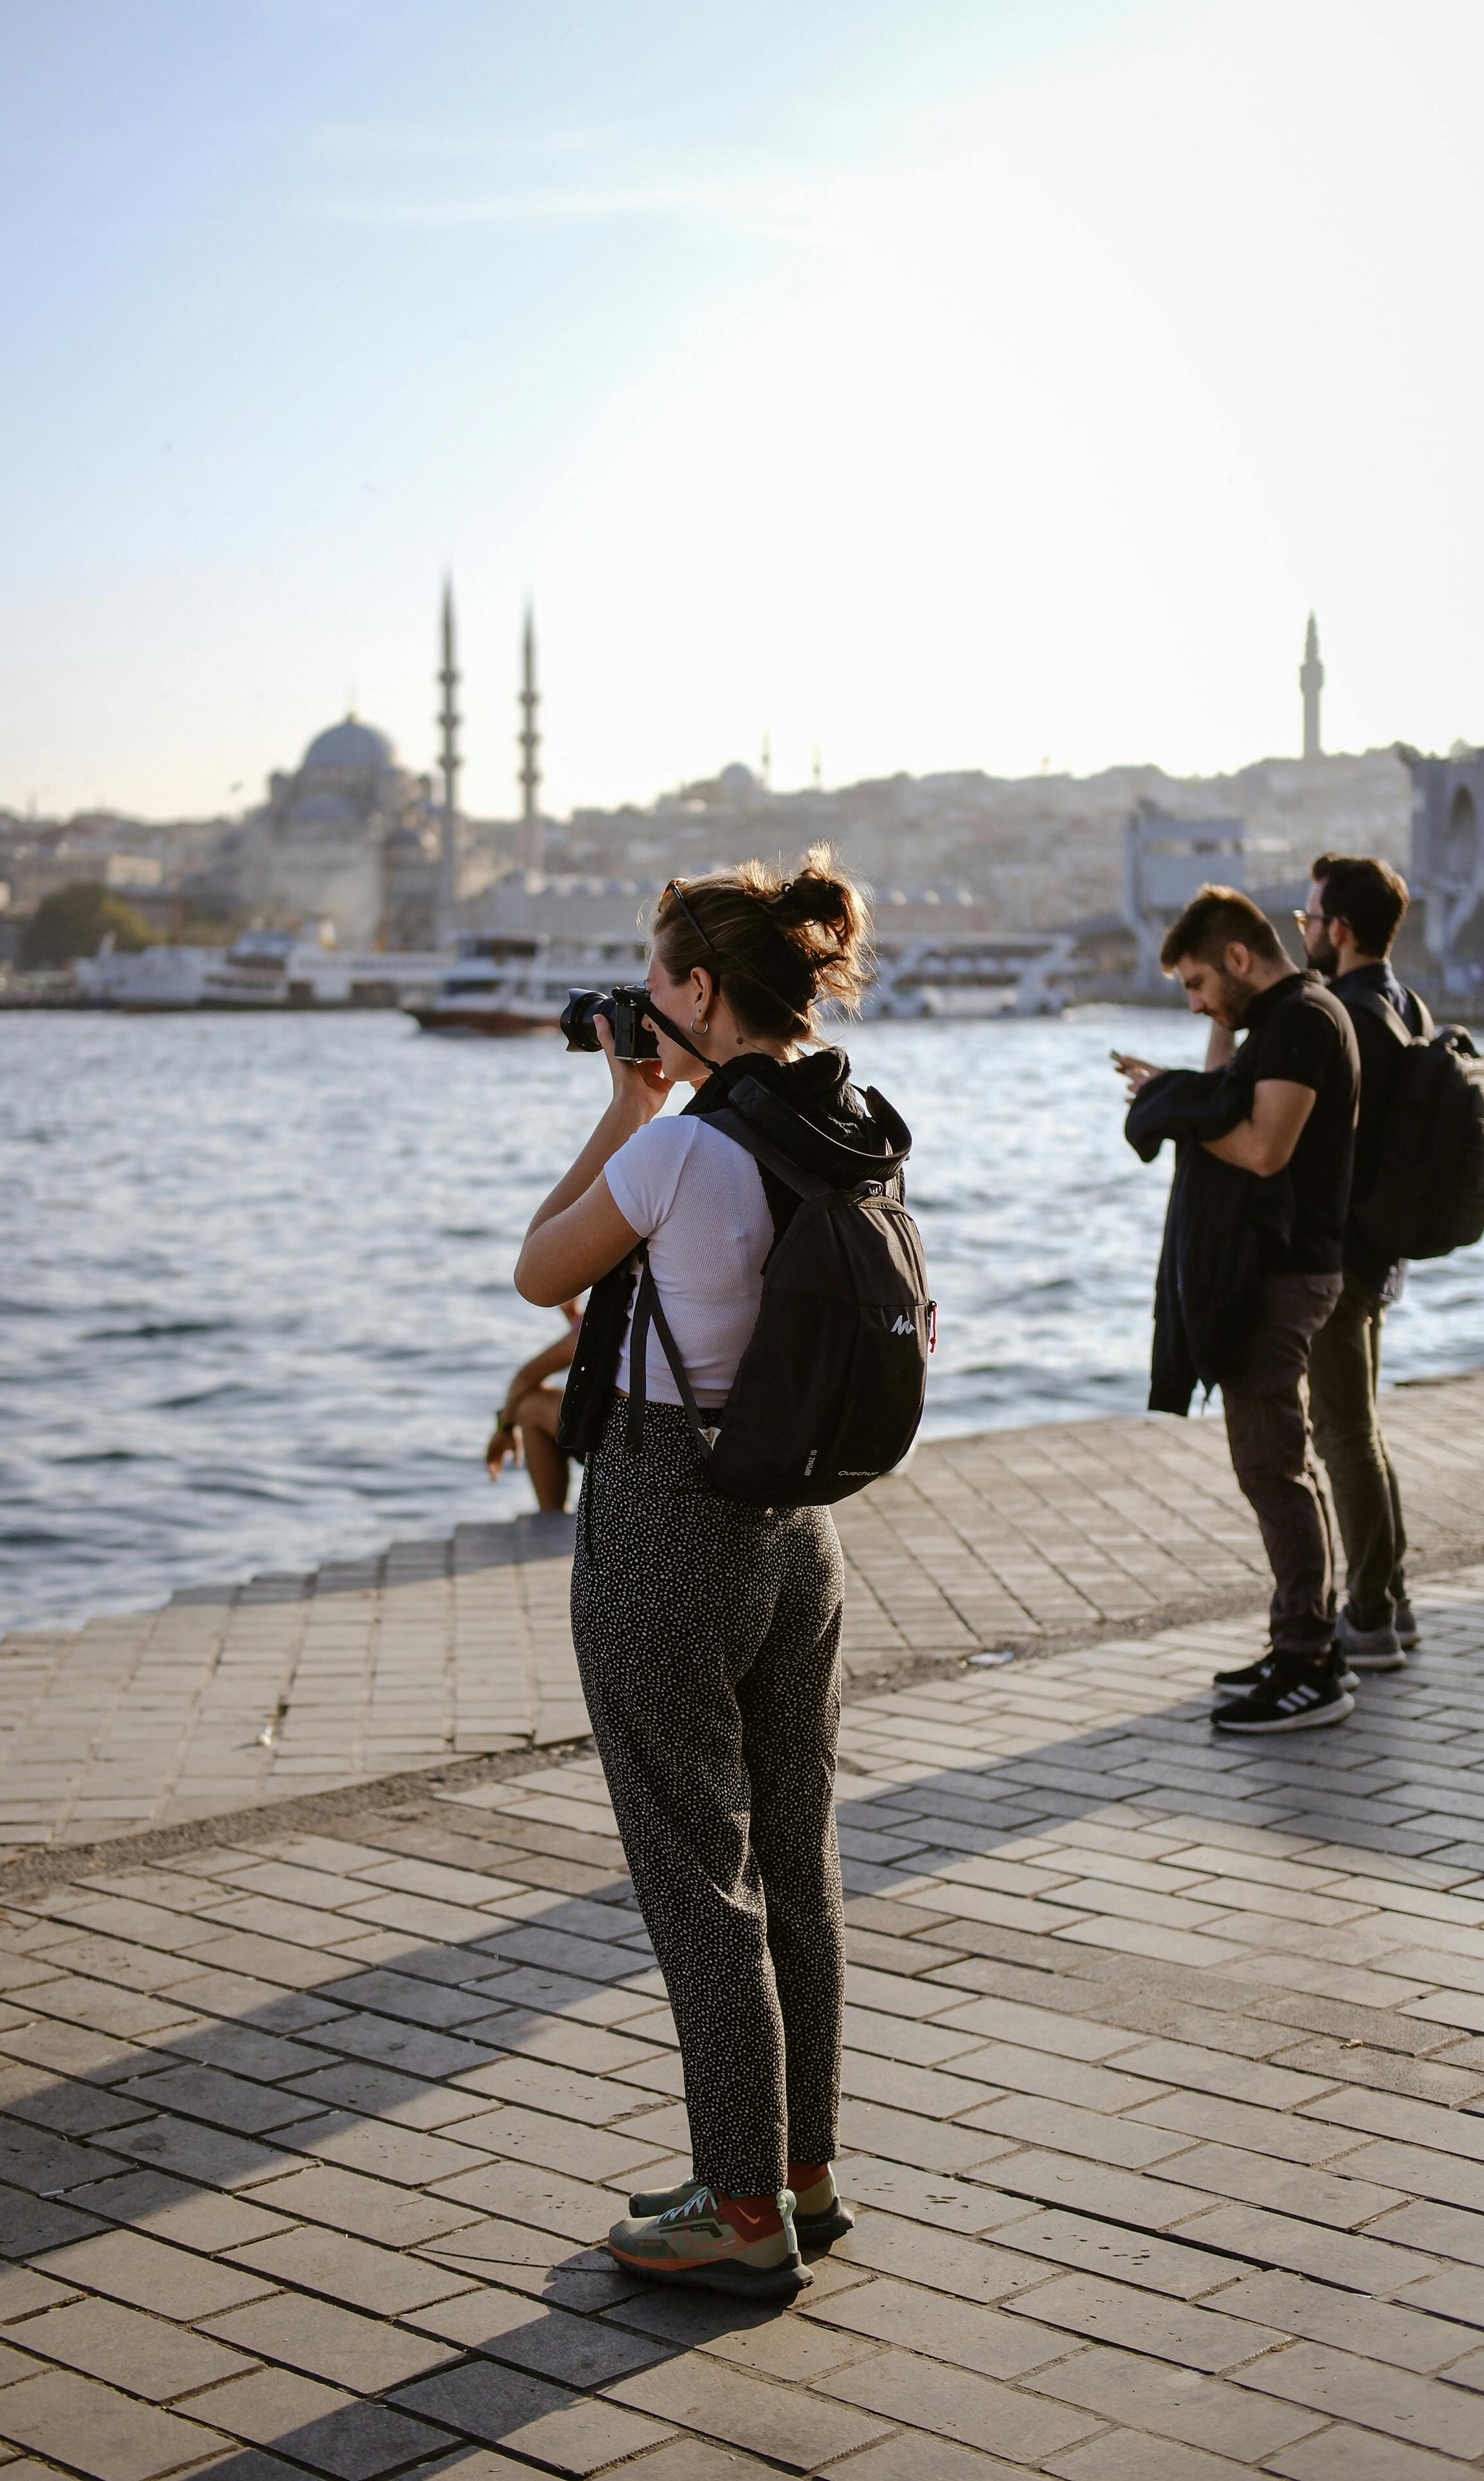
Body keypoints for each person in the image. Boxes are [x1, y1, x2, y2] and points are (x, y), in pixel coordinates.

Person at [513, 852, 901, 2302]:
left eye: (653, 974)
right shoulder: (849, 1124)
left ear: (692, 990)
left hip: (673, 1518)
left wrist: (626, 1108)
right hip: (799, 1528)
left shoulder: (681, 1150)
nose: (641, 997)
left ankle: (738, 2209)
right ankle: (798, 2172)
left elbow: (541, 1269)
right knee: (792, 1859)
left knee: (696, 1875)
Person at [1116, 886, 1359, 1733]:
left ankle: (1309, 1668)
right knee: (1285, 1464)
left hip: (1285, 1276)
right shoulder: (1273, 1021)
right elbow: (1223, 1090)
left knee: (1270, 1468)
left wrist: (1169, 1107)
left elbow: (1262, 1147)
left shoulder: (1304, 1022)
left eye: (1196, 983)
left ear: (1239, 960)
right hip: (1276, 1272)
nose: (1192, 1002)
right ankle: (1307, 1637)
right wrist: (1177, 1086)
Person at [1296, 855, 1422, 1670]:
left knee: (1341, 1433)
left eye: (1308, 918)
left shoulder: (1345, 1014)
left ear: (1338, 931)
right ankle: (1392, 1600)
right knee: (1361, 1432)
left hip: (1340, 1258)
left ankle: (1370, 1614)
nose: (1304, 930)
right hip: (1378, 1252)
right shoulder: (1401, 1000)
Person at [484, 1301, 581, 1512]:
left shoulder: (609, 1313)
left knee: (530, 1407)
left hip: (618, 1440)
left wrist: (505, 1428)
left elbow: (528, 1375)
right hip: (656, 1429)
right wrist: (575, 1317)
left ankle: (553, 1519)